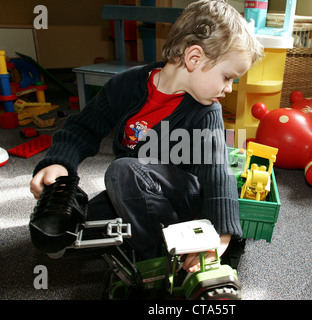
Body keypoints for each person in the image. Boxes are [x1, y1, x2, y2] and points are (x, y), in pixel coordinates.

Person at [30, 0, 263, 272]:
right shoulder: (126, 85)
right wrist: (57, 162)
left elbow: (217, 172)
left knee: (122, 171)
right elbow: (84, 126)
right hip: (135, 189)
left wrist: (220, 235)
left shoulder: (206, 112)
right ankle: (146, 238)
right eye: (227, 77)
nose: (228, 88)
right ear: (194, 58)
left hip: (183, 197)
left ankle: (160, 258)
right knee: (61, 233)